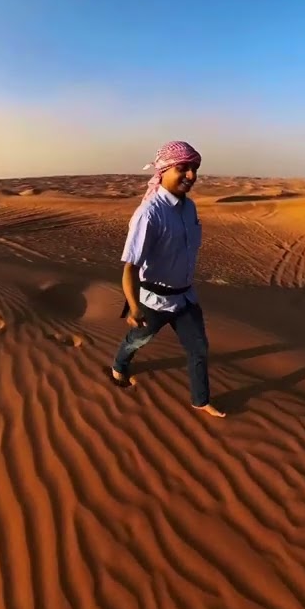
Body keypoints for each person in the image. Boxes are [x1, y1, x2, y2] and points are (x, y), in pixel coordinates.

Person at [109, 140, 226, 418]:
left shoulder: (190, 208)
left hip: (185, 296)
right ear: (163, 170)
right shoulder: (149, 213)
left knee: (199, 348)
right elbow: (130, 267)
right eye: (183, 168)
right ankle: (119, 365)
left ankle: (201, 400)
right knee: (138, 340)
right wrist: (134, 307)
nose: (191, 176)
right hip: (154, 299)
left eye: (194, 169)